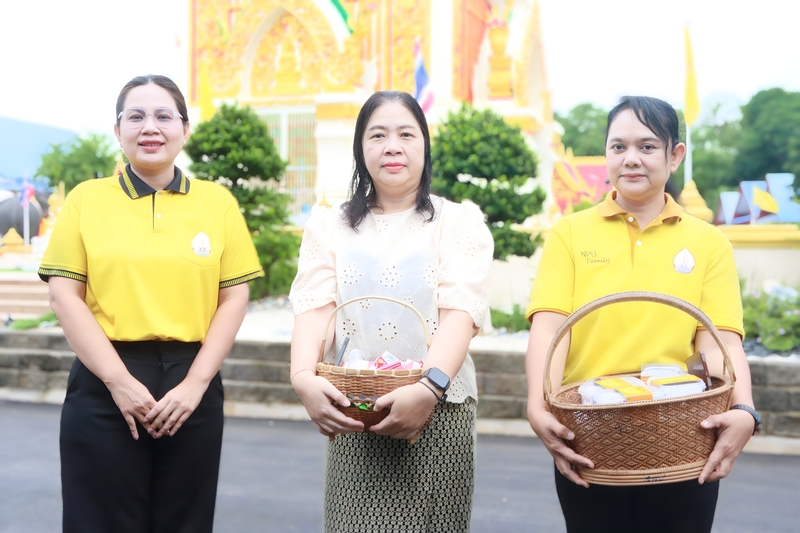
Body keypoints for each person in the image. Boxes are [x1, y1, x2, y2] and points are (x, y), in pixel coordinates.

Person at [38, 74, 263, 532]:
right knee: (98, 519)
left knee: (184, 520)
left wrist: (196, 384)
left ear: (184, 129)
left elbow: (234, 296)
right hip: (105, 378)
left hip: (190, 381)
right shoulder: (86, 200)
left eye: (164, 116)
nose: (150, 127)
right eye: (135, 116)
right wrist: (118, 381)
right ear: (117, 130)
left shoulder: (217, 203)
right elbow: (65, 297)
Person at [525, 96, 758, 533]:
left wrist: (744, 407)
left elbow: (720, 340)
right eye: (618, 147)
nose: (631, 158)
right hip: (590, 433)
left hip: (684, 433)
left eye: (647, 147)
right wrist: (539, 404)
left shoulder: (709, 243)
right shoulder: (569, 234)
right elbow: (551, 329)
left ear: (675, 155)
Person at [289, 90, 493, 532]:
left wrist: (429, 388)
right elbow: (314, 305)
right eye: (377, 135)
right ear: (362, 149)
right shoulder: (329, 225)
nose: (392, 146)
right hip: (355, 408)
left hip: (439, 410)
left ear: (424, 144)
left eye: (406, 133)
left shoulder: (458, 222)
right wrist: (303, 377)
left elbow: (461, 311)